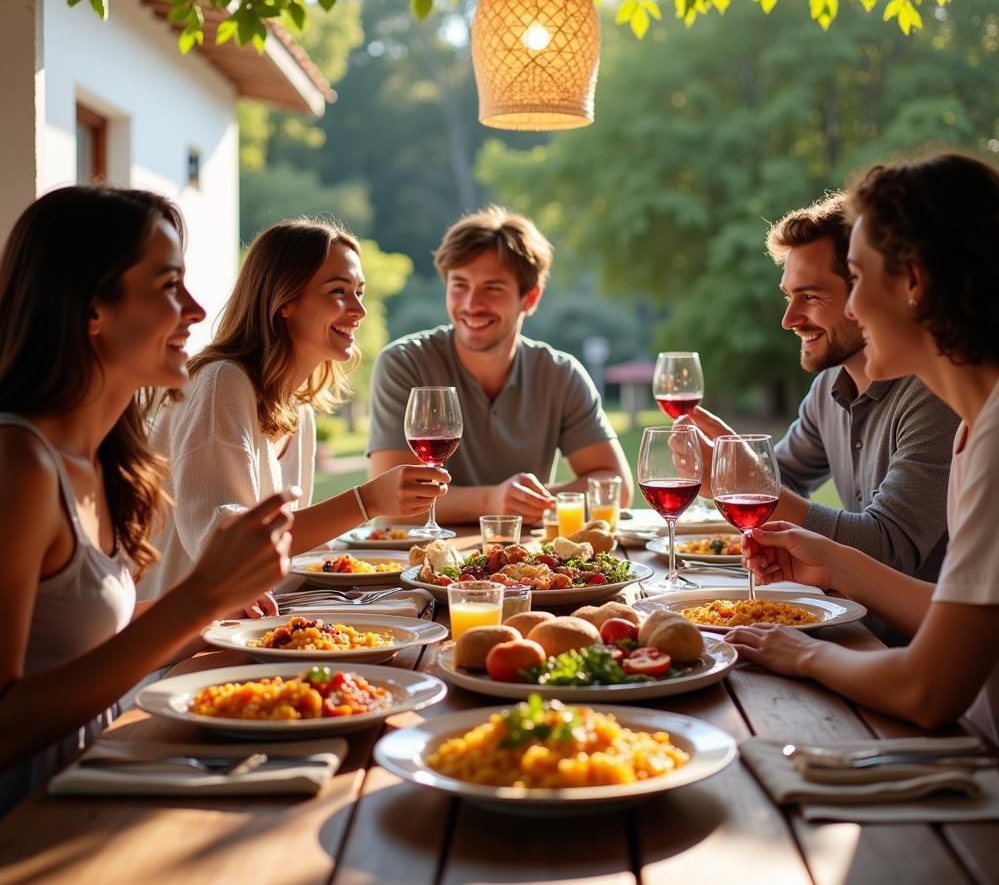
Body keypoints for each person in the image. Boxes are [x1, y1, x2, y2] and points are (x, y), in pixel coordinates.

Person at [0, 186, 297, 813]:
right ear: (91, 310)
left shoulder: (107, 461)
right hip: (27, 830)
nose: (194, 308)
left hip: (94, 795)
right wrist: (197, 599)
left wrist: (204, 620)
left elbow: (72, 643)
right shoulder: (18, 465)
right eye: (168, 287)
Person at [728, 152, 999, 762]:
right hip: (983, 752)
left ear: (914, 284)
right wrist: (832, 563)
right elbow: (955, 613)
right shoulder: (985, 420)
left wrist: (804, 652)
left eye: (857, 279)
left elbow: (926, 690)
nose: (854, 308)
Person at [689, 195, 960, 639]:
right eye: (789, 296)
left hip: (912, 653)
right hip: (853, 632)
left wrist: (741, 480)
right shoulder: (830, 386)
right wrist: (740, 472)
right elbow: (784, 477)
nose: (789, 319)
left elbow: (889, 548)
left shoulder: (939, 397)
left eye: (810, 296)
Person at [139, 218, 448, 601]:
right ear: (283, 300)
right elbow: (229, 553)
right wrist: (366, 501)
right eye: (339, 292)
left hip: (270, 619)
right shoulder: (222, 383)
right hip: (187, 646)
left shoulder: (297, 405)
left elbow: (289, 551)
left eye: (360, 293)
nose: (359, 310)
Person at [367, 206, 632, 523]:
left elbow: (616, 487)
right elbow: (393, 502)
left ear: (530, 298)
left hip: (529, 566)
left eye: (492, 287)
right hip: (422, 564)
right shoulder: (404, 362)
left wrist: (526, 502)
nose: (471, 304)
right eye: (460, 285)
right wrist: (493, 501)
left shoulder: (561, 374)